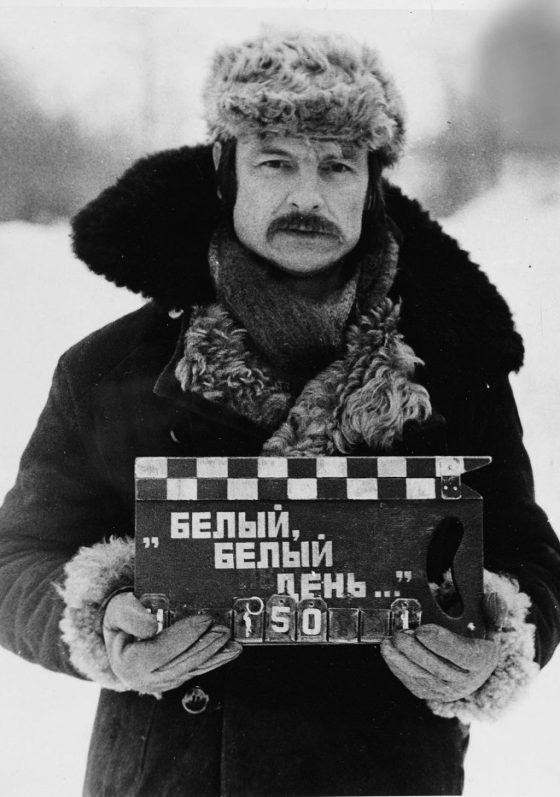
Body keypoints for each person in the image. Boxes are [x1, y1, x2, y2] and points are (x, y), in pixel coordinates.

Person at [0, 29, 559, 797]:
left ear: (372, 186)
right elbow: (17, 556)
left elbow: (532, 560)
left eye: (337, 166)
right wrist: (101, 621)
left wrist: (495, 640)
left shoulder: (456, 370)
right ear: (225, 173)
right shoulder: (108, 369)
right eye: (276, 162)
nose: (308, 197)